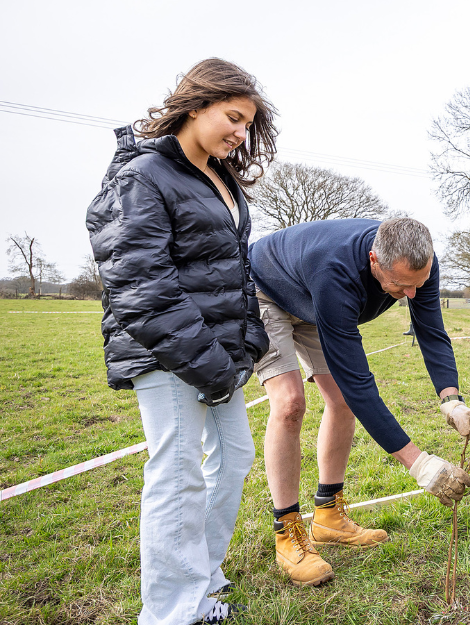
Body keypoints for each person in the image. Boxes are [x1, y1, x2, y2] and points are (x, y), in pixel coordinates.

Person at [86, 59, 278, 624]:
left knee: (236, 457)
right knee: (177, 475)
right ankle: (172, 613)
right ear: (196, 104)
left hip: (216, 356)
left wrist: (242, 346)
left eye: (247, 124)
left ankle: (204, 580)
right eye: (233, 117)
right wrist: (207, 363)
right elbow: (138, 280)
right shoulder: (144, 175)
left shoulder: (216, 177)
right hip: (167, 352)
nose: (240, 133)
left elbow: (229, 273)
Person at [248, 217, 470, 586]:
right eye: (400, 285)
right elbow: (360, 383)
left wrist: (451, 401)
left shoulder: (421, 263)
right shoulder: (334, 268)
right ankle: (288, 531)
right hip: (268, 291)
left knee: (340, 401)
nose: (411, 294)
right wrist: (420, 465)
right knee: (290, 403)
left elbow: (431, 331)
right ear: (374, 260)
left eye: (418, 284)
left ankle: (328, 515)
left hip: (313, 300)